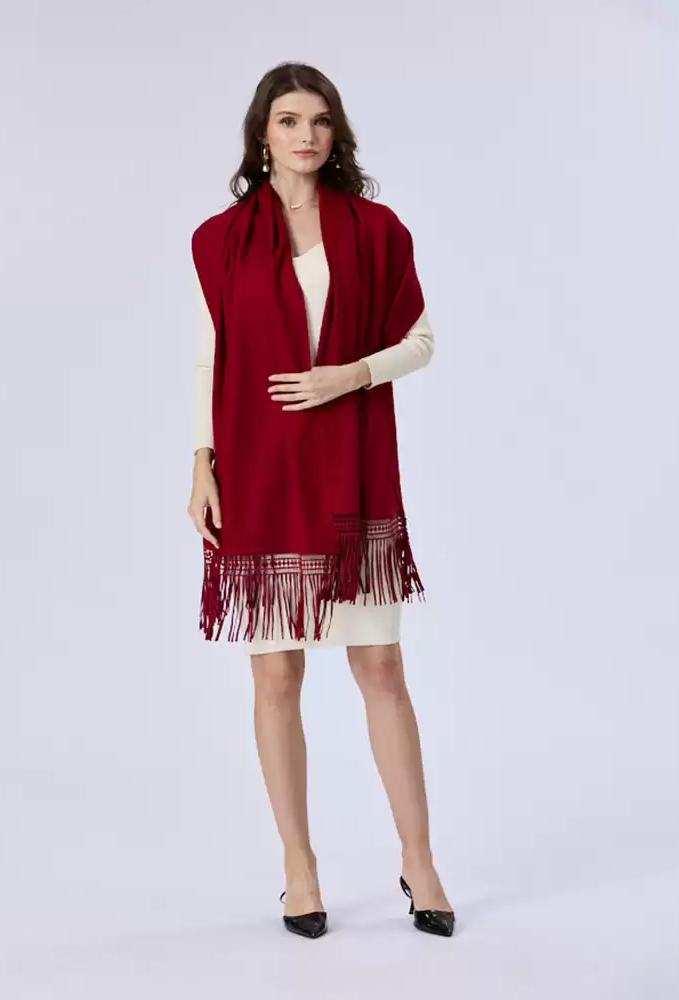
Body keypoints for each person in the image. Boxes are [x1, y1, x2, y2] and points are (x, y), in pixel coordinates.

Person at [187, 62, 454, 939]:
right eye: (289, 120)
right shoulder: (219, 241)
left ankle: (419, 861)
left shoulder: (376, 230)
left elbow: (420, 340)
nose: (307, 135)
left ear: (336, 134)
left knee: (381, 668)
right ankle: (298, 867)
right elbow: (213, 355)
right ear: (261, 135)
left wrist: (350, 375)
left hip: (351, 477)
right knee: (276, 675)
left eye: (321, 120)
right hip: (260, 474)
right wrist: (202, 461)